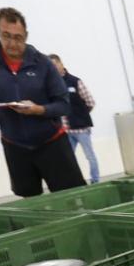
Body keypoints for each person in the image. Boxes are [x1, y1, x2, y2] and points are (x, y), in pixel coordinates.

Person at [0, 7, 85, 196]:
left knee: (72, 197)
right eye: (6, 36)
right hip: (15, 146)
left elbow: (64, 104)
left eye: (18, 38)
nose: (12, 43)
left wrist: (38, 109)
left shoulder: (43, 63)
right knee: (29, 200)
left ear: (26, 35)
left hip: (52, 143)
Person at [47, 54, 100, 184]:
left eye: (55, 65)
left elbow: (90, 102)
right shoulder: (51, 85)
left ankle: (95, 180)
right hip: (66, 130)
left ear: (61, 63)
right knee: (68, 159)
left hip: (81, 129)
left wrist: (80, 116)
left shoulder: (75, 81)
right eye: (50, 67)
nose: (53, 68)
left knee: (89, 156)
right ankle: (74, 181)